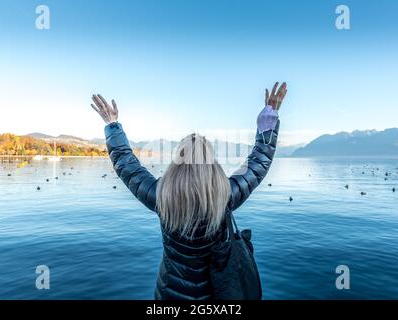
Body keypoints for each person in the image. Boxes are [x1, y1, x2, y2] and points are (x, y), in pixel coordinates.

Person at [90, 82, 287, 300]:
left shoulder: (160, 197)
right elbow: (259, 163)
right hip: (216, 295)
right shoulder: (225, 197)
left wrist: (112, 125)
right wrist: (268, 122)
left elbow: (126, 164)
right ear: (211, 163)